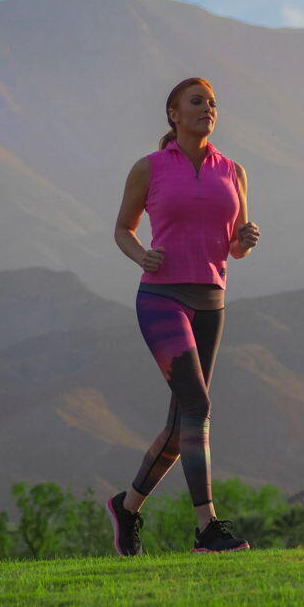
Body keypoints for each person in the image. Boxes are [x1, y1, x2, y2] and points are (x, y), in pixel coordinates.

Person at [106, 77, 261, 555]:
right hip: (162, 299)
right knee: (197, 408)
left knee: (181, 425)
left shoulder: (233, 171)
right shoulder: (149, 168)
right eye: (197, 102)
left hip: (211, 303)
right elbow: (123, 230)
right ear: (173, 113)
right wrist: (141, 256)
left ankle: (127, 507)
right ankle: (207, 527)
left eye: (212, 103)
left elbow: (234, 248)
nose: (207, 108)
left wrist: (244, 241)